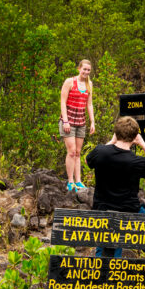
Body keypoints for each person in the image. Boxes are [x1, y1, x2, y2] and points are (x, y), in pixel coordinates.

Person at [86, 115, 145, 289]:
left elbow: (89, 158)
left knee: (103, 261)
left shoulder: (101, 153)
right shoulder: (136, 161)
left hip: (103, 215)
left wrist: (111, 142)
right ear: (134, 137)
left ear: (116, 134)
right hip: (130, 213)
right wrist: (142, 145)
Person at [60, 59, 95, 191]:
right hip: (69, 120)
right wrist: (65, 121)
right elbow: (63, 101)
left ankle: (78, 181)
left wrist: (92, 121)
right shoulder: (70, 82)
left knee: (78, 152)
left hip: (81, 121)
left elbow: (89, 104)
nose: (86, 72)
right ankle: (70, 182)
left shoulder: (89, 84)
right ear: (79, 68)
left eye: (88, 70)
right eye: (84, 69)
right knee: (71, 151)